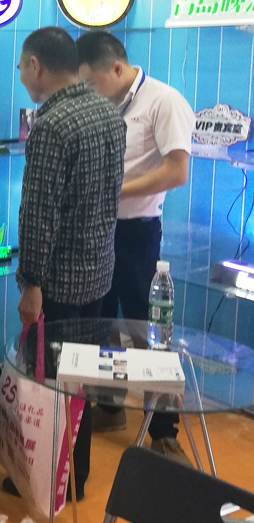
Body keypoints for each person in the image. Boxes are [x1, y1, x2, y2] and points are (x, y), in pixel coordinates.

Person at [13, 26, 126, 499]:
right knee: (83, 381)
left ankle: (47, 479)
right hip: (98, 272)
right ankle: (75, 474)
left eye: (21, 67)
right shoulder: (109, 113)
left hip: (56, 282)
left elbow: (39, 214)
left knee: (49, 383)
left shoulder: (51, 126)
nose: (22, 77)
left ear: (36, 65)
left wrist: (31, 283)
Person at [76, 31, 195, 462]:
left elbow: (176, 171)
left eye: (91, 83)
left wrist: (113, 191)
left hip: (138, 234)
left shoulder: (164, 101)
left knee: (149, 332)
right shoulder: (103, 106)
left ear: (117, 68)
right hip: (99, 230)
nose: (88, 92)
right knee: (103, 324)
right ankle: (110, 407)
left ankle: (164, 431)